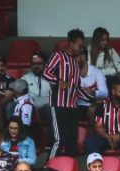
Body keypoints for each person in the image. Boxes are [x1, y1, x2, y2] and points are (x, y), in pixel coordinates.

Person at [43, 28, 91, 159]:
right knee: (59, 140)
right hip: (58, 105)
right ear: (71, 43)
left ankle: (69, 170)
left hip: (72, 107)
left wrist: (91, 98)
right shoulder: (58, 56)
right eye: (79, 46)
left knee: (72, 141)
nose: (81, 49)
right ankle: (48, 167)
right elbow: (45, 72)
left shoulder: (75, 63)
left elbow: (76, 87)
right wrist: (58, 81)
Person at [22, 51, 52, 126]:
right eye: (33, 64)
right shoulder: (25, 78)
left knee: (50, 108)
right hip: (30, 109)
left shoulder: (52, 78)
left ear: (45, 64)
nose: (36, 66)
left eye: (39, 64)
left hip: (46, 110)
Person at [77, 50, 108, 121]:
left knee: (93, 109)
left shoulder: (96, 72)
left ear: (85, 57)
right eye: (75, 56)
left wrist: (92, 92)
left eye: (79, 56)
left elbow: (105, 93)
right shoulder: (71, 71)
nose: (77, 59)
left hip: (92, 105)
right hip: (76, 105)